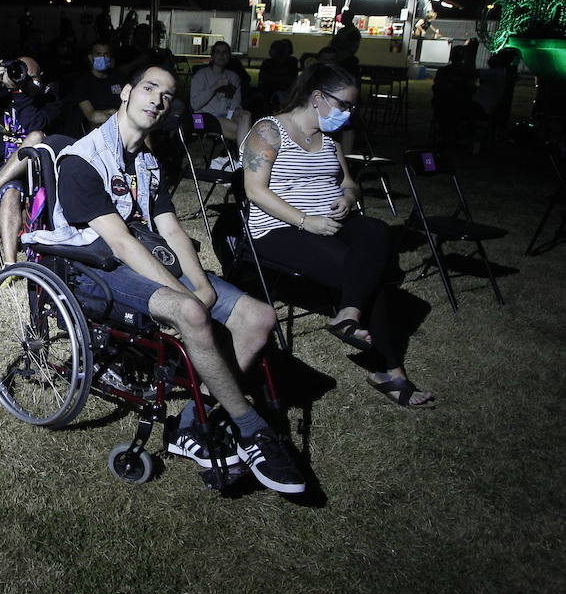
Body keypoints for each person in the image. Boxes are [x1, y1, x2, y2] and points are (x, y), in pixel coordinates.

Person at [25, 64, 304, 493]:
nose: (158, 99)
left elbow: (171, 228)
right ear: (127, 93)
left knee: (259, 317)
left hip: (145, 257)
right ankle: (252, 429)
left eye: (168, 95)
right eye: (149, 89)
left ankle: (191, 424)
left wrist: (202, 283)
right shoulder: (84, 160)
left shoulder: (147, 162)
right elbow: (119, 243)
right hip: (95, 271)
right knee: (191, 311)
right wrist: (185, 293)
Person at [241, 64, 433, 408]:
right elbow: (255, 191)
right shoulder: (268, 131)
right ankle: (389, 370)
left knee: (377, 230)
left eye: (351, 106)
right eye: (343, 104)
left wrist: (347, 198)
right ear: (317, 98)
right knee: (366, 271)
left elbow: (348, 182)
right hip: (279, 227)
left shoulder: (327, 140)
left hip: (330, 221)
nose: (347, 112)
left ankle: (349, 312)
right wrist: (304, 221)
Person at [0, 56, 60, 266]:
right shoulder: (2, 97)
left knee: (35, 137)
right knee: (11, 191)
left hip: (40, 170)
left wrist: (19, 93)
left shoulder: (50, 99)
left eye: (30, 77)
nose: (23, 81)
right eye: (19, 74)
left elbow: (36, 124)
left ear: (40, 78)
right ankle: (10, 265)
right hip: (7, 171)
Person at [188, 41, 252, 145]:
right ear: (212, 56)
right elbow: (195, 105)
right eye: (218, 52)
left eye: (225, 52)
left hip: (226, 116)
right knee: (241, 131)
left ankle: (238, 154)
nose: (222, 55)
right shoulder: (201, 76)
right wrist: (215, 87)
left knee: (246, 116)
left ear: (229, 56)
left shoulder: (233, 77)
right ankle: (243, 155)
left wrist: (237, 111)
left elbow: (236, 103)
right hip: (200, 119)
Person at [68, 41, 125, 130]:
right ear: (91, 58)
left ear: (110, 58)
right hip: (98, 128)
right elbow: (92, 116)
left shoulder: (119, 77)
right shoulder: (83, 83)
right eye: (98, 54)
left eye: (106, 54)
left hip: (123, 123)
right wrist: (114, 114)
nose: (102, 57)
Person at [256, 39, 299, 114]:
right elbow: (262, 79)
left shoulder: (291, 62)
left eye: (273, 49)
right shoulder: (267, 63)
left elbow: (290, 79)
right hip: (269, 91)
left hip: (283, 91)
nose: (270, 51)